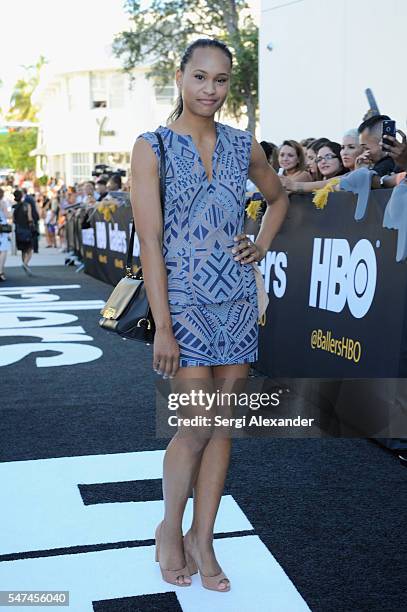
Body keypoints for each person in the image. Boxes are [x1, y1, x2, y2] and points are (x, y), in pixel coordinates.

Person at [130, 37, 289, 592]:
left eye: (221, 80)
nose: (210, 90)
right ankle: (168, 530)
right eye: (200, 77)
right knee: (194, 428)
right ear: (180, 77)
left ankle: (205, 536)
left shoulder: (243, 145)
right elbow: (150, 241)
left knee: (223, 429)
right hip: (185, 305)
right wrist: (164, 325)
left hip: (238, 303)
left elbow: (279, 197)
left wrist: (261, 245)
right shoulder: (151, 147)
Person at [12, 189, 36, 275]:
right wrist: (32, 225)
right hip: (26, 229)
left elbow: (13, 219)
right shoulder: (27, 205)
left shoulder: (14, 207)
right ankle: (25, 263)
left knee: (23, 250)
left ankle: (24, 263)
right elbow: (29, 218)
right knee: (30, 248)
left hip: (18, 230)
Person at [0, 188, 10, 281]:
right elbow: (7, 215)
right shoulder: (2, 203)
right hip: (2, 228)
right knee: (3, 250)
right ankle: (0, 271)